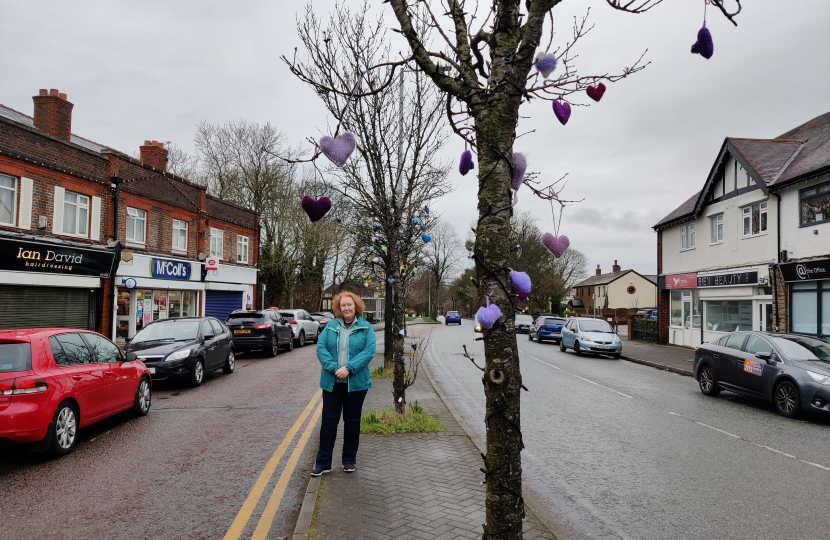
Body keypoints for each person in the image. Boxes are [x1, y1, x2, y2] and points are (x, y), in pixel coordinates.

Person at [311, 291, 376, 476]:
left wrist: (349, 368)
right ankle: (323, 463)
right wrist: (334, 368)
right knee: (329, 423)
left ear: (356, 307)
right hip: (332, 383)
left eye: (349, 305)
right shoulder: (330, 326)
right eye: (343, 305)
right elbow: (321, 348)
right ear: (338, 309)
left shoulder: (366, 327)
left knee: (352, 422)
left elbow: (369, 351)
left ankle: (349, 460)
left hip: (356, 383)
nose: (346, 308)